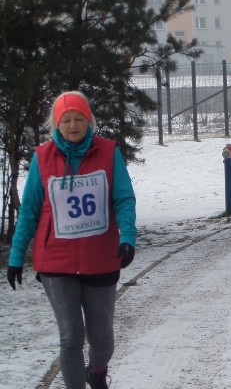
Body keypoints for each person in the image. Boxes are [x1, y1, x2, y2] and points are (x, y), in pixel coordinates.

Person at [6, 91, 137, 389]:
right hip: (55, 261)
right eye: (67, 120)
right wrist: (16, 256)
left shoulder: (108, 152)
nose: (74, 125)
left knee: (102, 338)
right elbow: (29, 211)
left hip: (101, 257)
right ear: (56, 123)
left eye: (79, 119)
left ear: (89, 121)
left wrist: (128, 235)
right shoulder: (43, 157)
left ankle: (98, 371)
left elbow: (124, 199)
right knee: (70, 337)